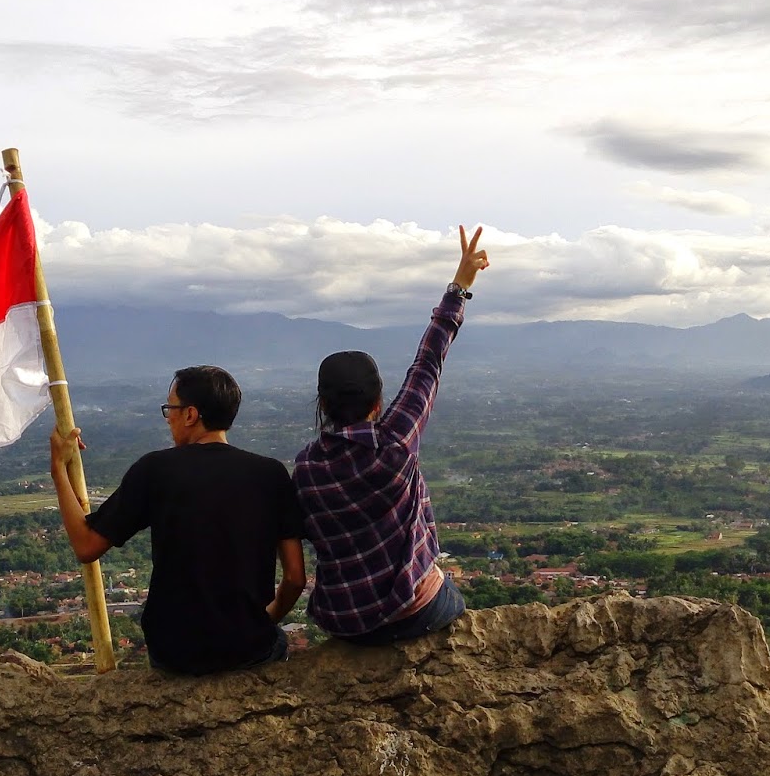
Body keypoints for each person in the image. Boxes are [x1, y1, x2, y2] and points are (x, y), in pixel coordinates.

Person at [294, 225, 489, 645]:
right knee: (451, 596)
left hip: (344, 622)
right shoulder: (396, 442)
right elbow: (428, 363)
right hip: (412, 611)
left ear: (323, 405)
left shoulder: (306, 467)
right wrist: (460, 286)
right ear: (378, 400)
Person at [51, 365, 306, 675]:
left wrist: (58, 469)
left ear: (191, 414)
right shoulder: (271, 474)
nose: (168, 416)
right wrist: (266, 620)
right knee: (276, 642)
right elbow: (295, 578)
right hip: (248, 647)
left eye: (170, 407)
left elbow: (86, 545)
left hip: (175, 652)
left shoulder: (155, 470)